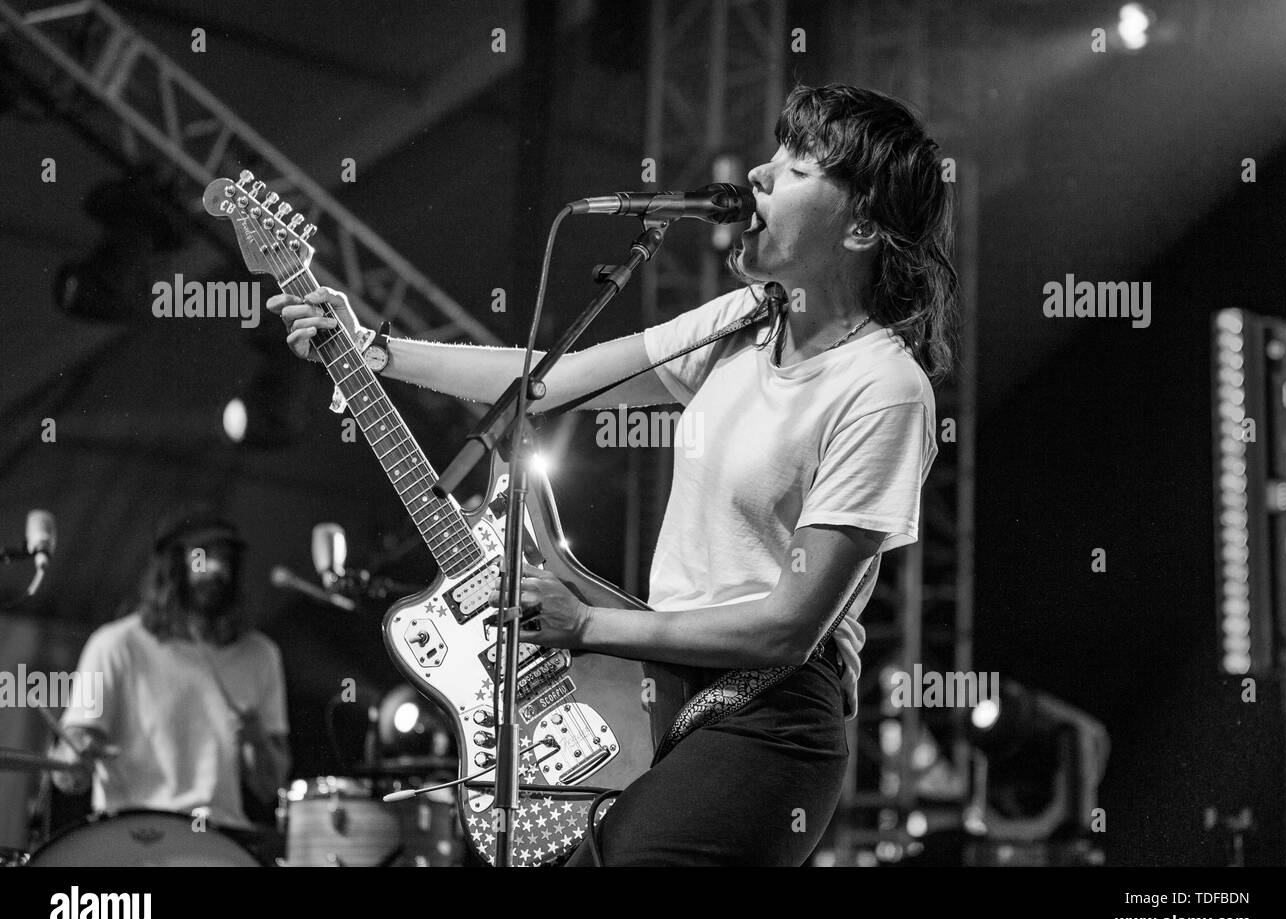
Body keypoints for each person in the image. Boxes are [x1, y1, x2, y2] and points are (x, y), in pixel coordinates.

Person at [271, 83, 957, 865]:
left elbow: (788, 627)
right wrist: (376, 350)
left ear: (863, 224)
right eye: (772, 154)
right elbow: (550, 379)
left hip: (774, 717)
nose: (760, 175)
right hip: (667, 692)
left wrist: (590, 625)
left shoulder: (883, 389)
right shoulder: (742, 320)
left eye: (797, 166)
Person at [50, 507, 290, 841]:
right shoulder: (114, 645)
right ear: (172, 567)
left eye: (227, 559)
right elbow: (67, 777)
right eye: (203, 557)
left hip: (221, 837)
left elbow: (271, 788)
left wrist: (257, 741)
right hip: (134, 835)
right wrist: (76, 755)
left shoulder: (260, 655)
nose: (218, 569)